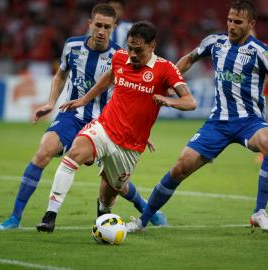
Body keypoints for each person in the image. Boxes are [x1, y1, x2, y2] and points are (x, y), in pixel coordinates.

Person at [126, 0, 268, 234]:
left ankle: (259, 212)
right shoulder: (215, 42)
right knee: (180, 167)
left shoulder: (261, 51)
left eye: (238, 22)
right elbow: (188, 58)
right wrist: (168, 81)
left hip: (250, 122)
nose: (231, 26)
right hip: (217, 123)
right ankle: (142, 221)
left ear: (251, 24)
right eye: (229, 20)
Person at [0, 4, 165, 231]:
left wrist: (139, 130)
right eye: (98, 25)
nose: (102, 31)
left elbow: (132, 97)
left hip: (106, 122)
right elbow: (61, 74)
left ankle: (145, 209)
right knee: (43, 151)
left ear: (114, 28)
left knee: (115, 183)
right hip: (72, 116)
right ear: (90, 24)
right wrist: (50, 103)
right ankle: (15, 218)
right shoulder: (72, 46)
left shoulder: (121, 57)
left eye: (107, 27)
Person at [36, 21, 196, 233]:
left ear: (152, 46)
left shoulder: (165, 69)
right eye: (130, 47)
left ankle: (102, 217)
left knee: (109, 193)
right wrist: (85, 100)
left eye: (138, 50)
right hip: (105, 127)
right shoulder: (121, 57)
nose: (132, 54)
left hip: (131, 146)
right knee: (75, 152)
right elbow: (108, 78)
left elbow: (190, 102)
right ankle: (50, 215)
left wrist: (169, 101)